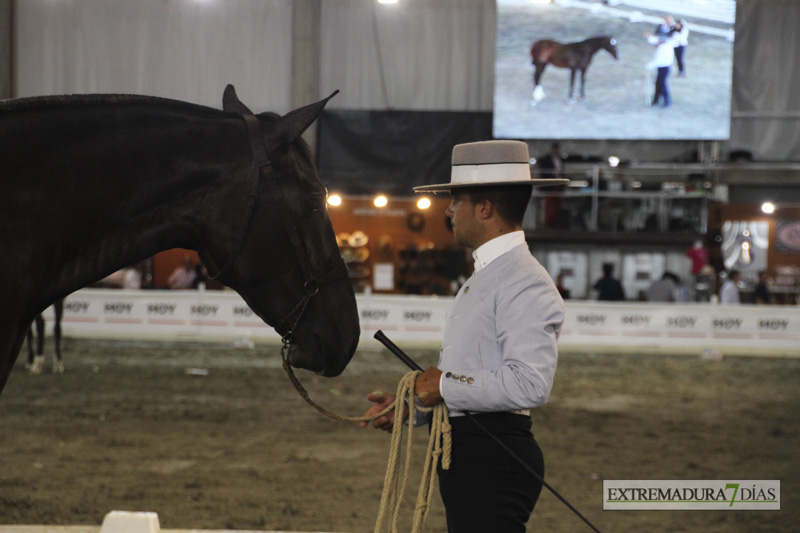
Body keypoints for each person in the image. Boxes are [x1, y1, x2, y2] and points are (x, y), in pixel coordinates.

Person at [361, 140, 566, 532]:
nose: (448, 210)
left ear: (485, 208)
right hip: (476, 451)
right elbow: (472, 376)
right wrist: (416, 407)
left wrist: (443, 385)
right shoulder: (495, 273)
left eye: (456, 200)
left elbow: (530, 383)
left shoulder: (523, 280)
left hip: (494, 454)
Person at [537, 142, 566, 228]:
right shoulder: (546, 159)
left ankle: (554, 222)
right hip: (550, 184)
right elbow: (543, 169)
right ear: (552, 150)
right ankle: (547, 223)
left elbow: (562, 170)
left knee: (557, 205)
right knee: (549, 205)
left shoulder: (560, 159)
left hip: (559, 184)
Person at [645, 31, 676, 108]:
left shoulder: (662, 49)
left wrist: (648, 66)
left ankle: (666, 101)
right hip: (664, 67)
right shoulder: (667, 45)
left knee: (661, 84)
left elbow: (657, 61)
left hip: (663, 67)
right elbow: (655, 40)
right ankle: (656, 99)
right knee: (658, 83)